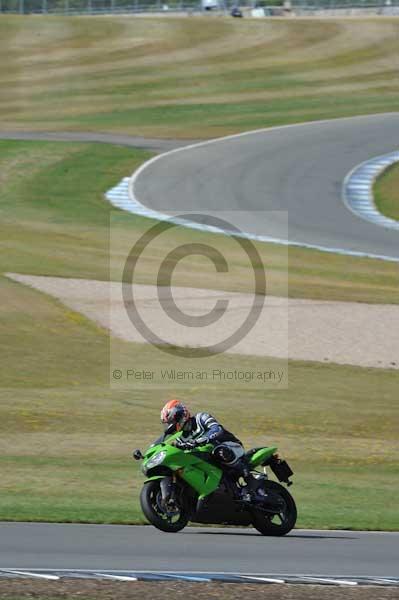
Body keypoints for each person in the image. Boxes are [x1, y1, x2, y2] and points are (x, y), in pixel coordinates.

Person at [160, 399, 252, 500]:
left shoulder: (201, 418)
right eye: (168, 423)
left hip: (230, 447)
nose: (170, 426)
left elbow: (217, 429)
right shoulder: (180, 438)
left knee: (219, 451)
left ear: (180, 415)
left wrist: (199, 441)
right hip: (211, 460)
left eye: (172, 421)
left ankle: (248, 478)